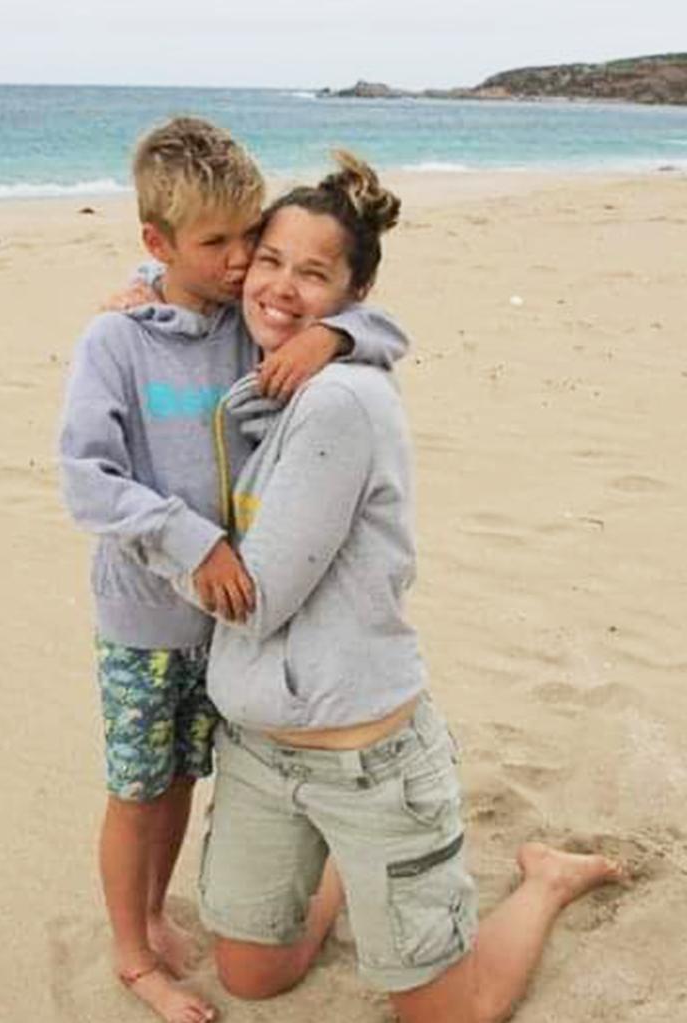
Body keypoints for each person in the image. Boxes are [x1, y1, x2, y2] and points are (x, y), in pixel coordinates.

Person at [172, 152, 626, 1023]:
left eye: (313, 275)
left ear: (354, 288)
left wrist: (151, 535)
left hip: (368, 761)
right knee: (253, 975)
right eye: (268, 260)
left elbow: (257, 596)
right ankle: (352, 869)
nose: (279, 287)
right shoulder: (278, 364)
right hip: (264, 754)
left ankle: (547, 880)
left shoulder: (340, 402)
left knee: (447, 1015)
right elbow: (191, 297)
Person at [59, 118, 409, 1023]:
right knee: (136, 789)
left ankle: (151, 909)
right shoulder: (117, 342)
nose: (238, 261)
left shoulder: (238, 331)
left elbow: (381, 325)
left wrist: (333, 340)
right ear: (156, 244)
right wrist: (192, 541)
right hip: (144, 614)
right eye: (216, 244)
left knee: (182, 779)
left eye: (246, 238)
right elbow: (87, 482)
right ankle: (132, 952)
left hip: (217, 629)